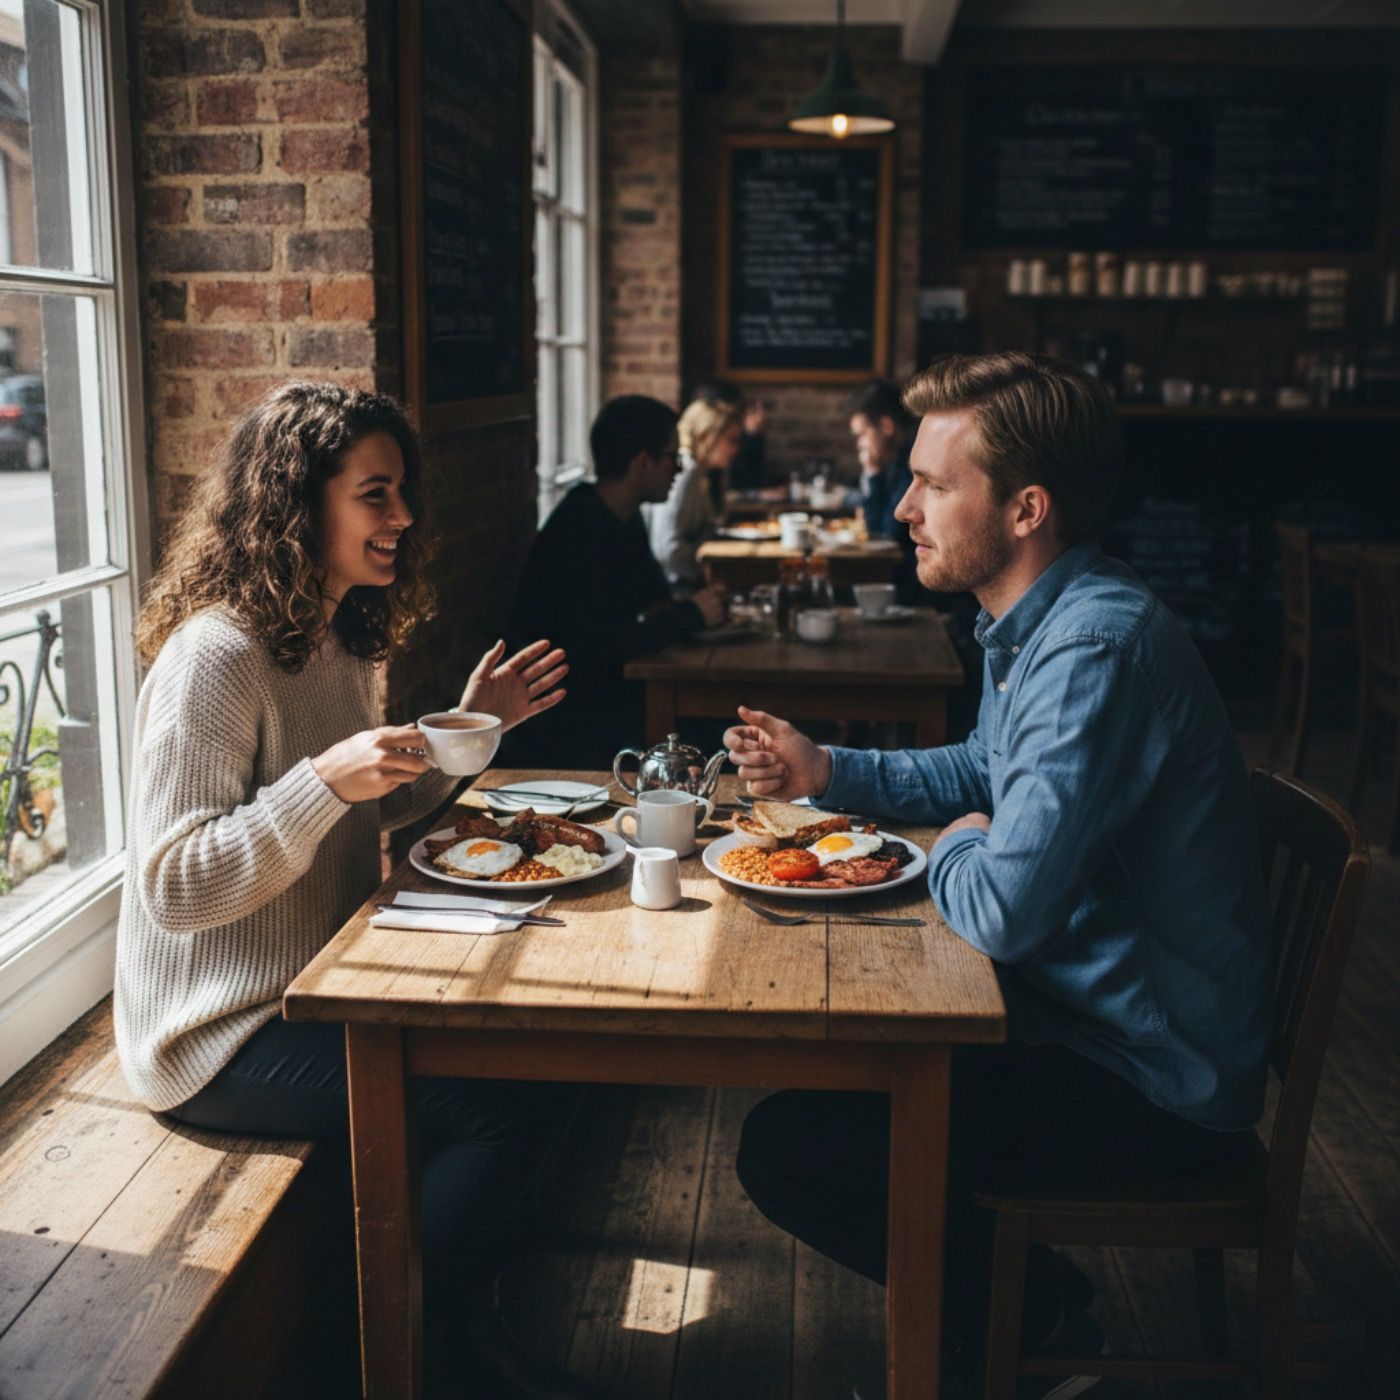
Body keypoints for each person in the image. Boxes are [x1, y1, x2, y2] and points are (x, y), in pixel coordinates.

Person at [724, 352, 1273, 1397]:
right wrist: (829, 768)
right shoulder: (1034, 622)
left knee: (792, 1147)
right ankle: (1008, 1323)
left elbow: (1004, 909)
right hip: (1083, 1022)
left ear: (1025, 507)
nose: (901, 505)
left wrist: (958, 841)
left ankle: (1036, 1327)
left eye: (933, 483)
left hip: (1147, 1077)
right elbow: (980, 771)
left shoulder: (1090, 648)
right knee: (832, 1100)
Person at [115, 382, 593, 1400]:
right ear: (300, 503)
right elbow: (172, 885)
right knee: (501, 1106)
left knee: (526, 1062)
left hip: (308, 989)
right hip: (212, 1033)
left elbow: (359, 812)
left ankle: (450, 1337)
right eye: (376, 493)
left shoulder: (327, 634)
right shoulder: (216, 654)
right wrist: (321, 775)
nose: (404, 517)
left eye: (401, 491)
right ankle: (392, 1340)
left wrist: (469, 732)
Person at [511, 395, 726, 769]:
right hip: (568, 716)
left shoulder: (625, 515)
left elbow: (654, 597)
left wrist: (689, 609)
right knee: (714, 731)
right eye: (672, 456)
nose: (678, 468)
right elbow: (596, 646)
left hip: (604, 692)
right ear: (642, 462)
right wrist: (692, 614)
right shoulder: (581, 528)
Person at [646, 393, 745, 593]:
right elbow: (667, 548)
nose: (737, 449)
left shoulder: (702, 473)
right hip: (674, 587)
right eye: (731, 440)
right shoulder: (684, 472)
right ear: (705, 436)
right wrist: (702, 574)